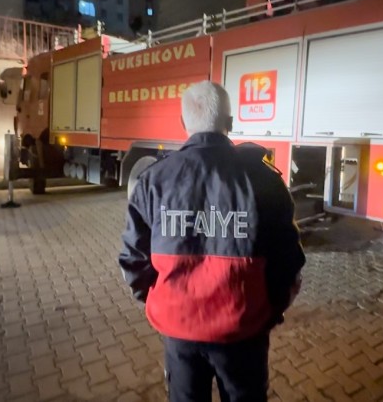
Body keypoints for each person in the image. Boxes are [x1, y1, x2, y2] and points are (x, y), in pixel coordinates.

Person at [119, 81, 305, 402]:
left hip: (179, 331)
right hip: (245, 331)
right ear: (229, 123)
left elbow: (133, 261)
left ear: (183, 123)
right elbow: (289, 263)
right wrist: (268, 310)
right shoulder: (265, 182)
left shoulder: (153, 181)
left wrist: (160, 302)